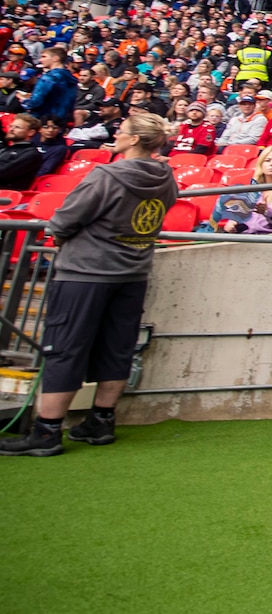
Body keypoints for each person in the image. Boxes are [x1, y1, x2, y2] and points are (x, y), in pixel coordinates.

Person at [1, 113, 176, 457]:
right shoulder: (166, 177)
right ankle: (101, 420)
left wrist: (62, 234)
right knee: (117, 346)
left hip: (86, 271)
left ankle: (47, 430)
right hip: (132, 271)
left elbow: (65, 219)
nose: (117, 134)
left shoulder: (106, 175)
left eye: (122, 131)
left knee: (65, 346)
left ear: (135, 140)